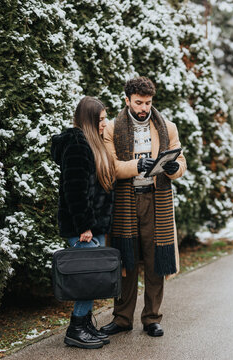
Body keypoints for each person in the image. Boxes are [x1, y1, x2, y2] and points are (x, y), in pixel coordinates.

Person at [100, 76, 186, 337]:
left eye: (148, 103)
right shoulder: (112, 128)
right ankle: (122, 318)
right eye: (138, 102)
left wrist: (173, 169)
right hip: (125, 199)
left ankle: (152, 318)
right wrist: (138, 166)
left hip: (156, 198)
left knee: (154, 261)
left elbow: (180, 160)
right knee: (126, 260)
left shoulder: (167, 127)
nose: (144, 108)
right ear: (127, 100)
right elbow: (111, 167)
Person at [51, 96, 115, 349]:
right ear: (89, 120)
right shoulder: (77, 144)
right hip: (84, 227)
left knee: (92, 275)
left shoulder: (89, 142)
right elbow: (75, 190)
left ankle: (86, 324)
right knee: (89, 278)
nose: (105, 124)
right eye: (101, 120)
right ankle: (76, 328)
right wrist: (84, 226)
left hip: (94, 225)